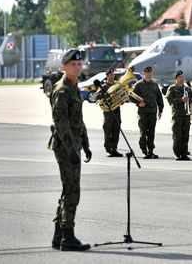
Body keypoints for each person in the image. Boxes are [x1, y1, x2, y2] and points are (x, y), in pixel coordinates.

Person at [49, 49, 92, 251]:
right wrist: (72, 149)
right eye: (73, 64)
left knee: (68, 189)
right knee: (73, 191)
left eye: (79, 63)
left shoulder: (74, 87)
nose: (77, 66)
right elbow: (61, 122)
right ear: (64, 67)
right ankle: (68, 237)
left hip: (74, 144)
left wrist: (85, 144)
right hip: (66, 147)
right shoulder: (63, 89)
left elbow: (78, 121)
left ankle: (59, 235)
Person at [131, 66, 164, 159]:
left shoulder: (155, 85)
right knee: (143, 133)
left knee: (151, 133)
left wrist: (160, 110)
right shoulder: (139, 84)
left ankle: (151, 151)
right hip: (143, 113)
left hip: (153, 112)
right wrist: (138, 103)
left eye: (150, 72)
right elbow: (131, 96)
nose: (148, 74)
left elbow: (159, 98)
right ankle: (144, 151)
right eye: (146, 72)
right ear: (143, 73)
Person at [166, 70, 192, 160]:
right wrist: (181, 100)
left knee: (185, 135)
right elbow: (170, 100)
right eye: (180, 77)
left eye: (183, 77)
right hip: (177, 115)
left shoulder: (187, 89)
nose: (182, 79)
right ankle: (178, 153)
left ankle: (184, 153)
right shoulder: (171, 88)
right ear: (176, 78)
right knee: (177, 136)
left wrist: (189, 99)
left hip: (186, 115)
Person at [101, 68, 123, 157]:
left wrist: (122, 100)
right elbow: (98, 96)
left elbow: (122, 95)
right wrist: (109, 93)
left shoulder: (117, 85)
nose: (112, 76)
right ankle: (108, 150)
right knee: (108, 132)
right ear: (107, 76)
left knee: (116, 132)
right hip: (108, 113)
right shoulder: (104, 86)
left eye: (113, 74)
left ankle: (114, 149)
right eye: (110, 74)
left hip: (117, 112)